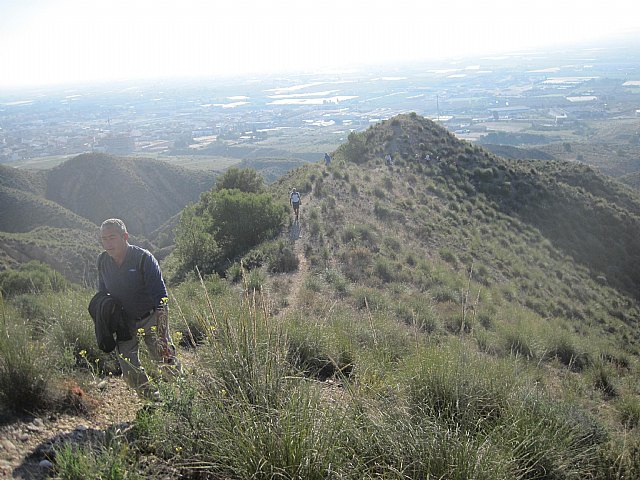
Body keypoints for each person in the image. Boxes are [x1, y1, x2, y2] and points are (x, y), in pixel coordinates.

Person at [97, 218, 181, 401]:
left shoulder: (143, 259)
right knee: (128, 368)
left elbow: (161, 297)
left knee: (165, 358)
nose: (108, 243)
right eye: (104, 239)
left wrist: (162, 333)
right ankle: (152, 401)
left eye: (112, 237)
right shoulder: (103, 261)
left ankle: (182, 399)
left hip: (151, 317)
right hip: (124, 323)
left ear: (125, 236)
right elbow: (102, 294)